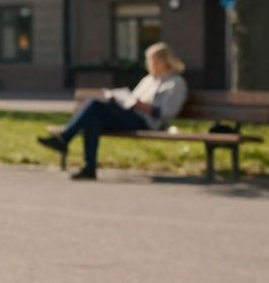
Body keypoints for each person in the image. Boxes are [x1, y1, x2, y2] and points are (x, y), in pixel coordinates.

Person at [37, 41, 189, 180]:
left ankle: (64, 139)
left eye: (153, 61)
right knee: (93, 119)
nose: (149, 64)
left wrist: (139, 105)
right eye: (149, 60)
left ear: (165, 61)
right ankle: (89, 168)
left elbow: (168, 112)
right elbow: (132, 100)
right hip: (131, 115)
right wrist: (119, 99)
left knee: (94, 105)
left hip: (147, 121)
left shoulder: (176, 83)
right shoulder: (148, 80)